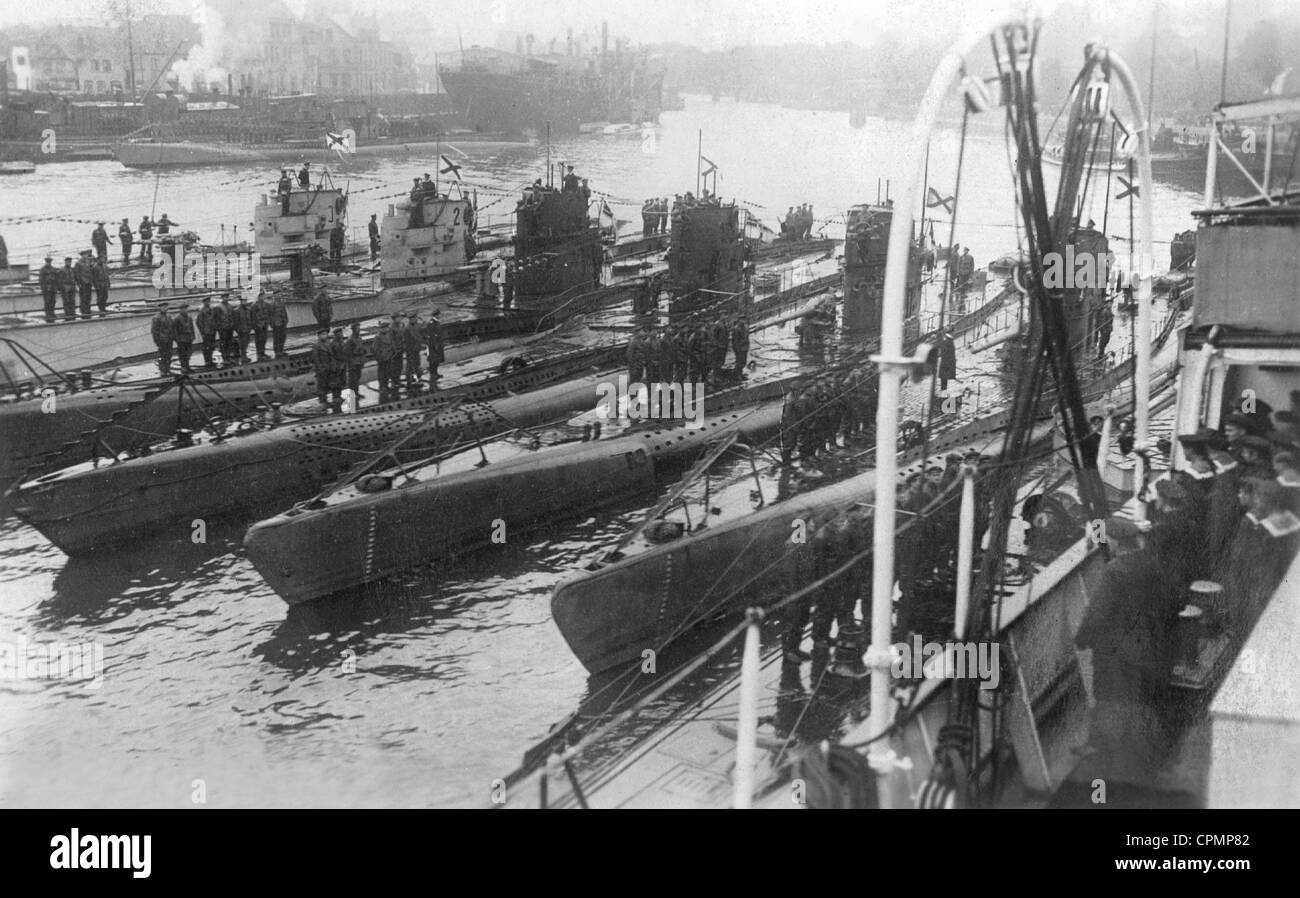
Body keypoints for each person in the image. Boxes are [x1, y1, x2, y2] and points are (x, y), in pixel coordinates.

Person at [373, 319, 399, 403]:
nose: (387, 329)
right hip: (383, 359)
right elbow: (375, 350)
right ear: (381, 329)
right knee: (382, 375)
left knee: (389, 373)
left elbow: (392, 345)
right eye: (385, 328)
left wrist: (393, 352)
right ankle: (383, 387)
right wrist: (380, 358)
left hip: (389, 357)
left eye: (387, 328)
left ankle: (386, 386)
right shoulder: (378, 337)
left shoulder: (388, 336)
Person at [310, 329, 335, 410]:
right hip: (322, 369)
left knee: (327, 384)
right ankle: (322, 402)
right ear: (319, 336)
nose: (325, 336)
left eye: (325, 334)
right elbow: (315, 359)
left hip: (328, 368)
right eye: (322, 334)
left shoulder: (328, 344)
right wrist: (320, 369)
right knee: (321, 386)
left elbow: (331, 356)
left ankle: (326, 401)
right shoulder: (316, 346)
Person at [344, 322, 366, 405]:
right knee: (352, 380)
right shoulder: (350, 340)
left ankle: (356, 393)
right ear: (353, 330)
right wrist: (351, 364)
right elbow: (347, 353)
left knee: (357, 378)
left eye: (359, 329)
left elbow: (363, 350)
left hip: (359, 361)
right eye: (357, 329)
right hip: (353, 362)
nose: (359, 330)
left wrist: (363, 360)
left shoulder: (360, 338)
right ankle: (352, 395)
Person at [172, 302, 195, 374]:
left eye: (186, 308)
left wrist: (193, 336)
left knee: (188, 353)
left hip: (188, 338)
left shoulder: (189, 317)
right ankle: (183, 367)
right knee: (182, 354)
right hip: (181, 339)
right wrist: (177, 340)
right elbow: (175, 330)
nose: (185, 310)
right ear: (180, 310)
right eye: (184, 309)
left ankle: (187, 366)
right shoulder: (177, 319)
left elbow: (192, 327)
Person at [151, 305, 174, 376]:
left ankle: (168, 369)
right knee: (162, 356)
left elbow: (172, 327)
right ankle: (162, 370)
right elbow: (154, 331)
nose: (165, 308)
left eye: (166, 307)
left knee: (169, 355)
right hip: (162, 340)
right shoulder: (156, 318)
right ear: (159, 308)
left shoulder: (169, 316)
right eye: (163, 307)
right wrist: (157, 341)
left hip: (169, 339)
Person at [196, 296, 218, 368]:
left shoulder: (211, 309)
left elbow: (214, 319)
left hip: (212, 331)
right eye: (206, 301)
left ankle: (210, 359)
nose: (208, 302)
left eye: (208, 301)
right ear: (204, 302)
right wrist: (203, 331)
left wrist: (215, 327)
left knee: (212, 346)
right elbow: (198, 322)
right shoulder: (202, 311)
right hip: (206, 332)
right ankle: (207, 361)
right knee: (206, 347)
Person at [403, 311, 423, 389]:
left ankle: (416, 379)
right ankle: (411, 381)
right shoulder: (407, 329)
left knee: (417, 364)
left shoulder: (416, 326)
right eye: (414, 318)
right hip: (411, 350)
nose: (416, 319)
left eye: (416, 318)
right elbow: (407, 341)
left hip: (416, 349)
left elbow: (419, 335)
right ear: (410, 319)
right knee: (411, 366)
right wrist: (410, 350)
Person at [214, 295, 236, 366]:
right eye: (224, 297)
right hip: (223, 329)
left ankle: (229, 357)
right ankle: (225, 358)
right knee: (224, 343)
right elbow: (216, 319)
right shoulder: (218, 307)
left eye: (227, 297)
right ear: (222, 298)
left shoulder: (230, 306)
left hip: (229, 327)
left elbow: (232, 316)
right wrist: (219, 328)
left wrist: (232, 324)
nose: (226, 298)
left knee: (229, 342)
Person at [423, 310, 444, 382]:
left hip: (438, 344)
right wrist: (435, 344)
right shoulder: (432, 323)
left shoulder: (437, 322)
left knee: (437, 359)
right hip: (433, 345)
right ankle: (432, 374)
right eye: (439, 314)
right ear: (436, 315)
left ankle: (436, 373)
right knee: (433, 360)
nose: (440, 316)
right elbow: (431, 335)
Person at [250, 291, 271, 360]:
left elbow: (268, 314)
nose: (262, 297)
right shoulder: (254, 305)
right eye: (261, 296)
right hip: (258, 325)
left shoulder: (266, 304)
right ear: (258, 297)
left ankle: (263, 353)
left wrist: (267, 322)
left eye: (263, 296)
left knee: (264, 339)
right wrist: (255, 326)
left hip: (265, 325)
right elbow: (252, 317)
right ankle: (259, 354)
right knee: (259, 340)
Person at [232, 294, 253, 363]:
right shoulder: (237, 310)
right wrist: (239, 330)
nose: (244, 302)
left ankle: (245, 356)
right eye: (243, 301)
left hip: (247, 329)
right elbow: (235, 322)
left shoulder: (248, 310)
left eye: (245, 301)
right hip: (241, 330)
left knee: (246, 343)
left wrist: (250, 327)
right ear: (241, 301)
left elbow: (250, 319)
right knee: (242, 344)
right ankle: (243, 357)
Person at [73, 250, 94, 317]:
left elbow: (90, 271)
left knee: (88, 296)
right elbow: (77, 273)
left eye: (86, 255)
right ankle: (83, 310)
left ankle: (88, 309)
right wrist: (78, 283)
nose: (86, 256)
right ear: (81, 255)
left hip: (88, 281)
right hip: (83, 282)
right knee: (83, 297)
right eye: (84, 255)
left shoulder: (88, 262)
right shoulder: (78, 263)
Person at [38, 256, 58, 323]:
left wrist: (56, 287)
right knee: (47, 302)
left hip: (53, 288)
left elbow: (56, 278)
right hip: (46, 289)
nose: (48, 263)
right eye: (47, 262)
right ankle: (48, 315)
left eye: (49, 262)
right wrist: (44, 288)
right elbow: (41, 280)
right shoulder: (43, 270)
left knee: (53, 301)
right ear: (46, 262)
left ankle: (52, 313)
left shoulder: (53, 269)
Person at [269, 292, 289, 357]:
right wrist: (272, 324)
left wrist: (286, 320)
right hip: (276, 323)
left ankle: (281, 350)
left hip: (283, 322)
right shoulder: (272, 304)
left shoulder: (282, 303)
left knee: (283, 336)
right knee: (277, 337)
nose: (278, 296)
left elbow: (284, 312)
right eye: (277, 295)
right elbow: (270, 315)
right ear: (274, 296)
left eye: (279, 294)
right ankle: (277, 351)